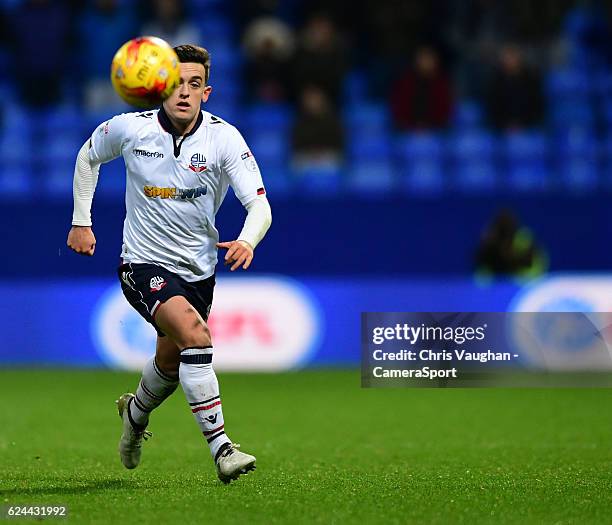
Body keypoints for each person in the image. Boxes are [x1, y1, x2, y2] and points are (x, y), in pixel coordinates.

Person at [66, 44, 272, 483]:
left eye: (194, 84)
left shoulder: (224, 138)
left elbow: (260, 206)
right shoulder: (130, 129)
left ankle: (133, 417)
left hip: (199, 271)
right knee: (197, 336)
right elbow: (87, 156)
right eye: (177, 83)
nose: (185, 93)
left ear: (207, 92)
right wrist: (81, 222)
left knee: (172, 362)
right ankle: (223, 450)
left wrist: (248, 240)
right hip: (141, 263)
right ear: (160, 86)